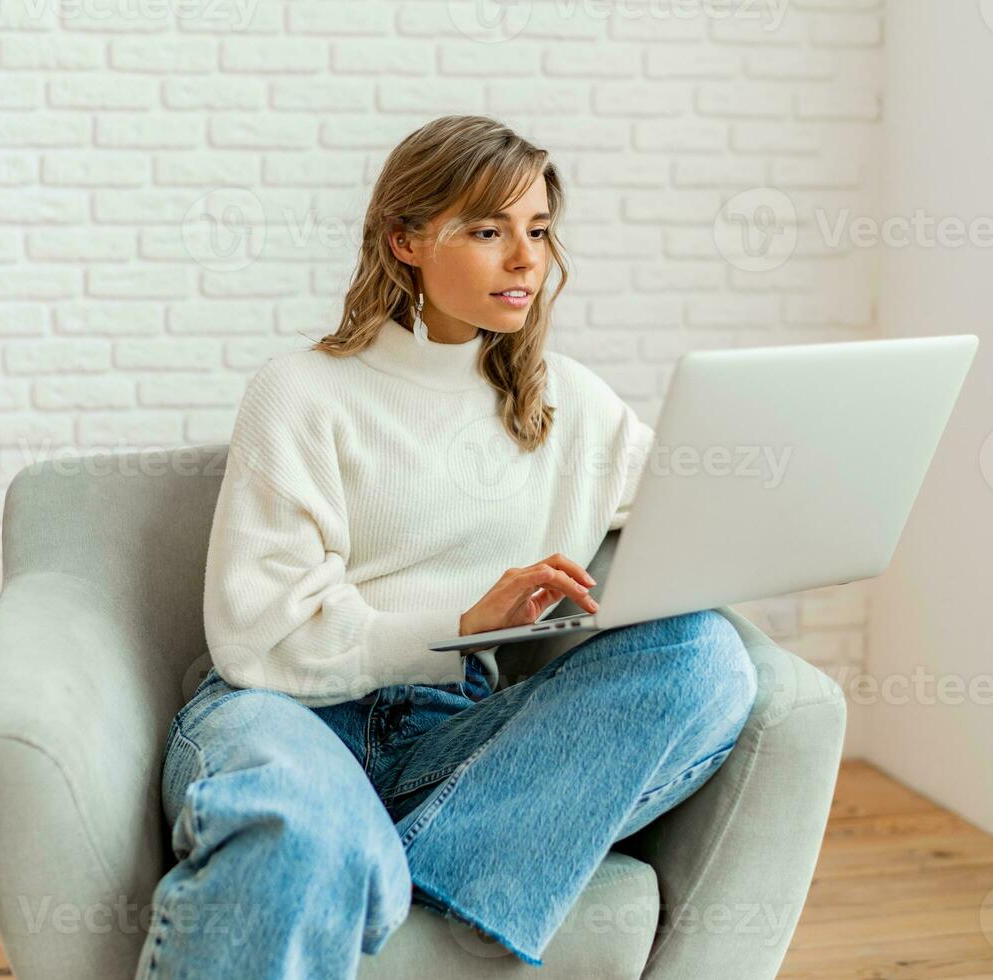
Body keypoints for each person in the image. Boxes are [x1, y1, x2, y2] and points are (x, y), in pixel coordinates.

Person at [134, 114, 758, 978]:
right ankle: (346, 845)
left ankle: (378, 859)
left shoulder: (570, 406)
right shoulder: (303, 394)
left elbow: (703, 510)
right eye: (487, 229)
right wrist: (461, 619)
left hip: (451, 737)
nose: (525, 259)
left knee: (705, 659)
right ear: (405, 241)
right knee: (296, 828)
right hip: (282, 716)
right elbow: (259, 638)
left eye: (538, 230)